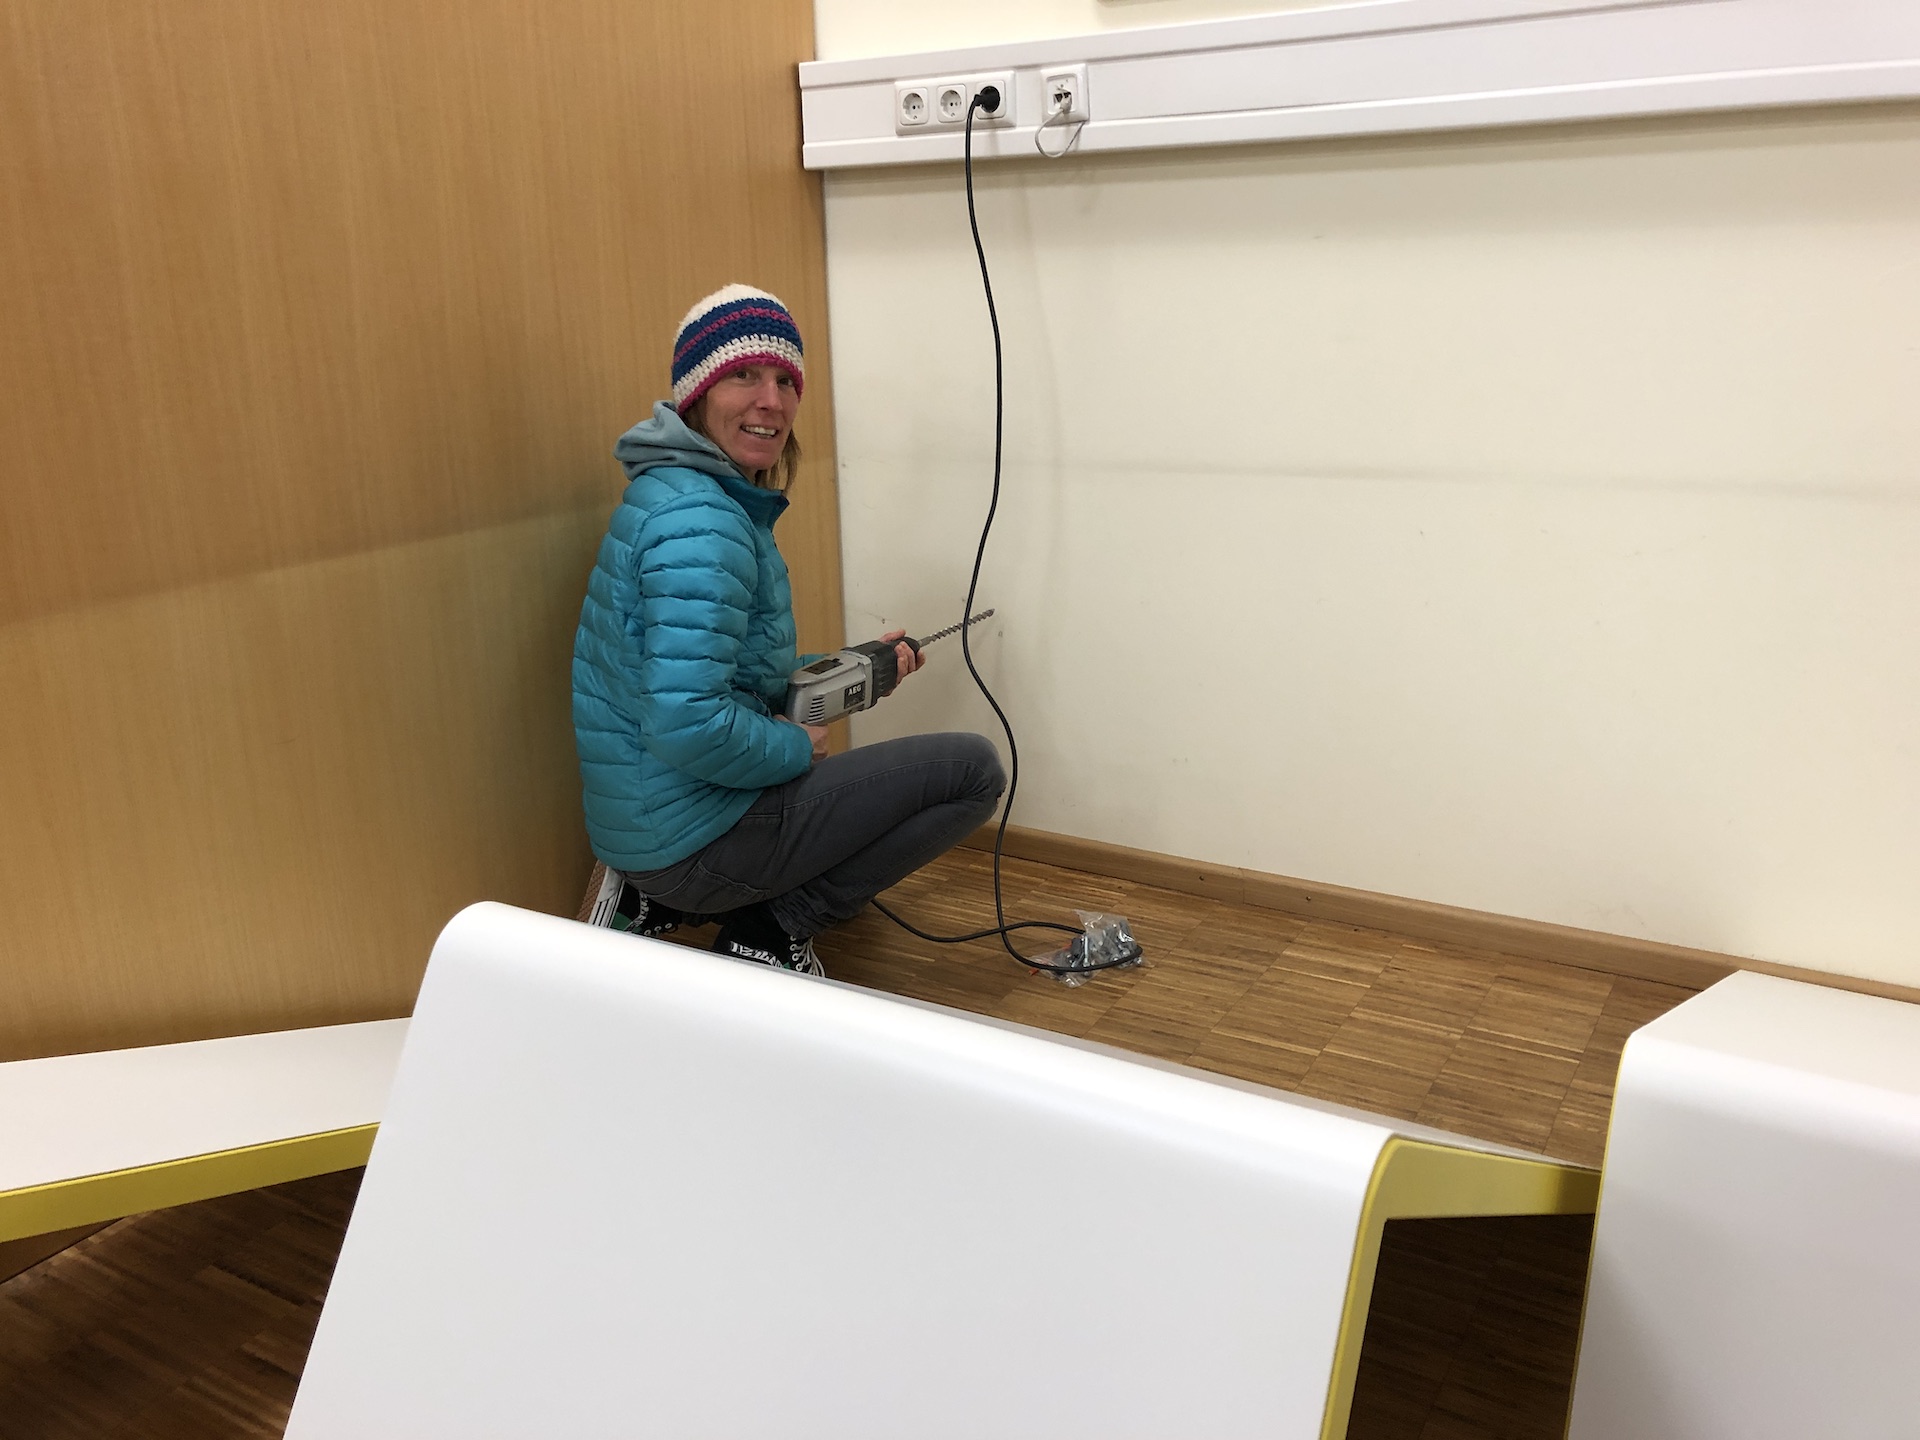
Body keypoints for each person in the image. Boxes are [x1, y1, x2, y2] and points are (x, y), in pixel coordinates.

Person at [572, 283, 1006, 976]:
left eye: (784, 381)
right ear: (698, 393)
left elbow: (724, 675)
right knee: (973, 771)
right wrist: (796, 747)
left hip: (652, 823)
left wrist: (856, 671)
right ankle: (771, 930)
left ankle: (654, 901)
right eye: (743, 375)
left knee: (867, 819)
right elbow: (687, 722)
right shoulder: (706, 528)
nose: (770, 401)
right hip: (690, 839)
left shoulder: (680, 495)